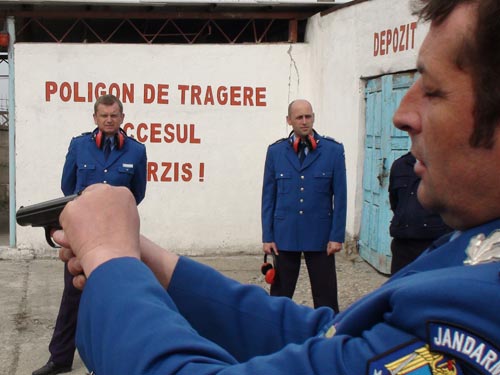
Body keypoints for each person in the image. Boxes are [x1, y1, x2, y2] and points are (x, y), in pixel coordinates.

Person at [54, 0, 500, 373]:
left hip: (312, 236)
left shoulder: (471, 312)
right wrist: (152, 262)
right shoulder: (466, 250)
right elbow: (328, 335)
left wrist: (109, 262)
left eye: (435, 90)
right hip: (286, 235)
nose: (402, 113)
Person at [33, 94, 147, 375]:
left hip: (116, 239)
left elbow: (137, 194)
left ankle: (103, 362)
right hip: (82, 237)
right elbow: (67, 186)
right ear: (95, 118)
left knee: (112, 300)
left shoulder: (136, 151)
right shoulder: (79, 146)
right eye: (103, 115)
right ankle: (59, 359)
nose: (109, 120)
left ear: (122, 118)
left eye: (114, 115)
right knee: (72, 297)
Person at [261, 99, 347, 312]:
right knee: (280, 295)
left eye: (308, 116)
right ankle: (275, 333)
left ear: (313, 117)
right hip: (285, 234)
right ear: (289, 120)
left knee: (326, 296)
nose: (304, 121)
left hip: (320, 235)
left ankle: (328, 335)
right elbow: (268, 197)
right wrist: (267, 236)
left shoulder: (333, 151)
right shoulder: (276, 152)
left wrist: (337, 236)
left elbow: (341, 196)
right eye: (299, 117)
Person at [389, 151, 452, 274]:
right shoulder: (400, 165)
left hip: (434, 244)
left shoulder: (445, 164)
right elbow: (395, 202)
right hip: (403, 245)